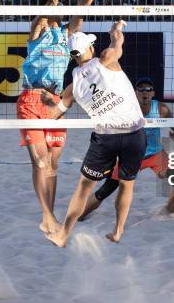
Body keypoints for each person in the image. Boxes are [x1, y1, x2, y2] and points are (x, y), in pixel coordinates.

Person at [17, 0, 113, 235]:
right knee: (40, 161)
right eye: (50, 10)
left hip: (55, 103)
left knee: (54, 163)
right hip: (31, 100)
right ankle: (47, 215)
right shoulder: (36, 32)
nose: (52, 14)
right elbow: (53, 7)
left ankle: (52, 210)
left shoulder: (65, 35)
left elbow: (79, 15)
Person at [44, 20, 147, 247]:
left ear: (73, 56)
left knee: (84, 186)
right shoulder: (106, 59)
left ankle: (63, 234)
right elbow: (117, 41)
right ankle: (118, 231)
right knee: (126, 184)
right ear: (90, 49)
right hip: (133, 133)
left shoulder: (72, 87)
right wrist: (117, 28)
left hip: (105, 139)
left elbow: (56, 113)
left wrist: (38, 115)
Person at [79, 77, 174, 221]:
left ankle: (168, 210)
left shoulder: (161, 109)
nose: (144, 92)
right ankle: (79, 216)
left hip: (155, 154)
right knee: (105, 190)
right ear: (135, 93)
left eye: (148, 89)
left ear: (153, 93)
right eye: (141, 89)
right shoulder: (126, 108)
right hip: (130, 156)